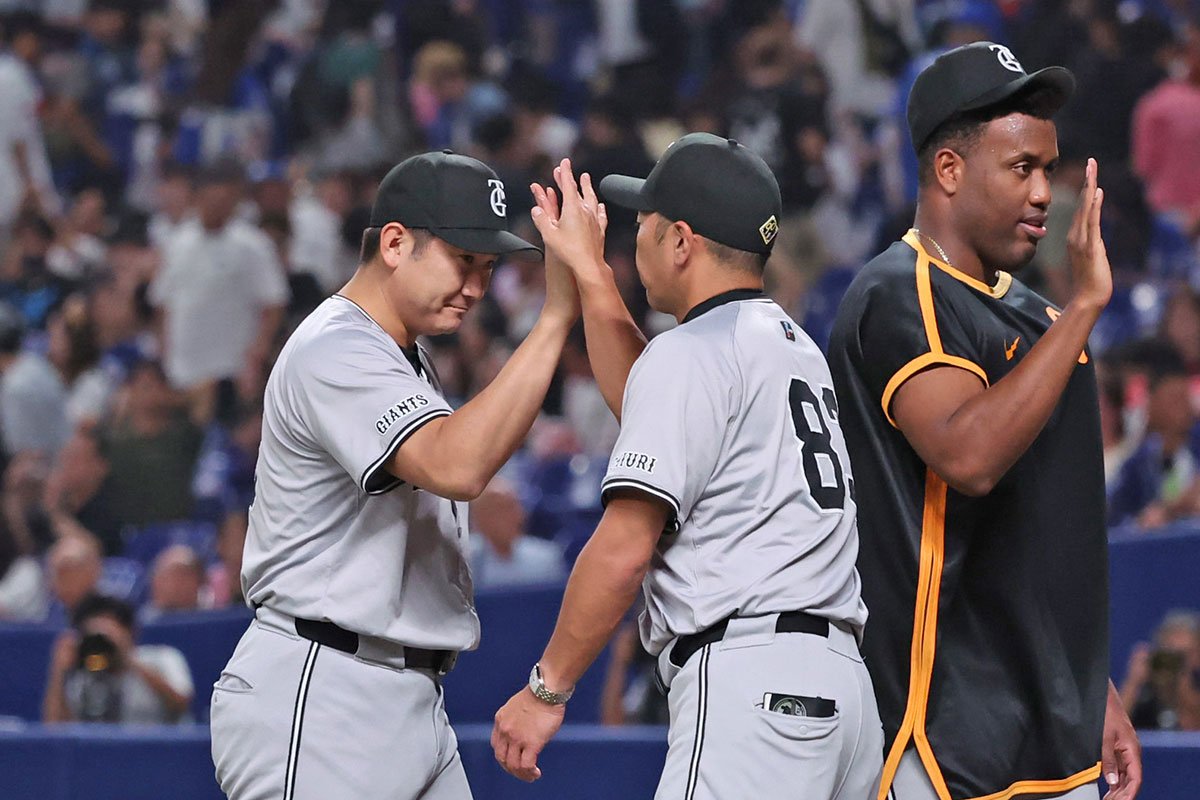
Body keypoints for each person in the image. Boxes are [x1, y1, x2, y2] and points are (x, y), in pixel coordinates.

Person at [491, 139, 882, 799]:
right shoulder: (789, 346)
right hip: (842, 696)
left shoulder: (694, 355)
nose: (634, 234)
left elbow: (623, 552)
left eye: (644, 221)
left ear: (680, 241)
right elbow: (650, 402)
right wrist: (591, 274)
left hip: (753, 686)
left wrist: (545, 689)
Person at [209, 150, 578, 800]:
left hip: (406, 692)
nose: (477, 288)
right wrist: (554, 318)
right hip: (325, 689)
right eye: (463, 260)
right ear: (395, 243)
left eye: (488, 268)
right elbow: (456, 464)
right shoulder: (336, 346)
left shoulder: (403, 353)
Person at [826, 42, 1141, 800]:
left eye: (1048, 169)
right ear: (949, 170)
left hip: (1044, 723)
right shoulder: (900, 293)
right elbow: (967, 458)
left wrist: (1090, 684)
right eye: (1021, 167)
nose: (1043, 193)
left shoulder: (1037, 316)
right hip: (943, 730)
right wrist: (1087, 306)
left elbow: (1036, 528)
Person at [43, 593, 194, 724]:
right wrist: (59, 672)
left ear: (130, 632)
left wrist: (126, 658)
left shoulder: (162, 658)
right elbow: (57, 729)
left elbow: (182, 702)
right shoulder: (88, 669)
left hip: (159, 747)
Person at [467, 477, 566, 589]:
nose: (513, 516)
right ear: (478, 518)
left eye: (514, 507)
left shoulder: (547, 558)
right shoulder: (462, 562)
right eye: (501, 509)